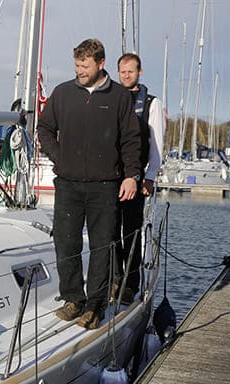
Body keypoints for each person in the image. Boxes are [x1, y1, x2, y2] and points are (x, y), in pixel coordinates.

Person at [36, 39, 141, 330]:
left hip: (105, 186)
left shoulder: (119, 97)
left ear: (100, 64)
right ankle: (72, 299)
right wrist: (60, 158)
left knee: (102, 248)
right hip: (68, 184)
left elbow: (131, 140)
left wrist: (132, 175)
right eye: (77, 66)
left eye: (85, 66)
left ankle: (94, 306)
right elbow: (44, 129)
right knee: (65, 243)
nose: (79, 71)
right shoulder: (63, 93)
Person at [116, 53, 165, 304]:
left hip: (135, 177)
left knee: (131, 231)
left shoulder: (151, 104)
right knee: (110, 231)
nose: (126, 76)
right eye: (122, 71)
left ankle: (130, 283)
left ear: (139, 72)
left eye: (130, 71)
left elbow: (156, 144)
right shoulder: (113, 98)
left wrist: (149, 176)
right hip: (111, 177)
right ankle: (114, 279)